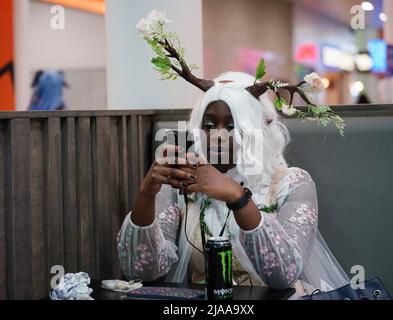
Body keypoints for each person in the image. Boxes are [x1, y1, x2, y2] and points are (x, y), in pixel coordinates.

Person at [117, 71, 349, 296]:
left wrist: (238, 198)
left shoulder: (292, 183)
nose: (218, 135)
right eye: (209, 125)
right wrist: (146, 193)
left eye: (231, 126)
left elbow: (283, 275)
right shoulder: (183, 184)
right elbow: (142, 271)